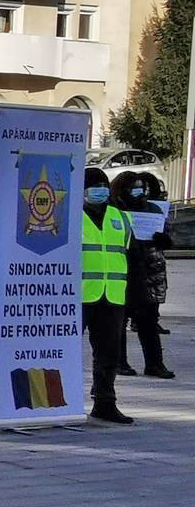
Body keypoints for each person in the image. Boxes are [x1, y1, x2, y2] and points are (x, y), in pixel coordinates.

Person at [79, 165, 134, 425]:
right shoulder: (70, 217)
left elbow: (129, 256)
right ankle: (55, 399)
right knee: (63, 349)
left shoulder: (121, 218)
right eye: (93, 186)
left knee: (108, 353)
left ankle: (105, 402)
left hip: (112, 296)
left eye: (103, 186)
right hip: (77, 296)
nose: (99, 190)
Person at [119, 171, 174, 381]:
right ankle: (120, 362)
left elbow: (168, 239)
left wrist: (163, 240)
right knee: (119, 322)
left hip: (149, 272)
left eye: (141, 187)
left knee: (148, 322)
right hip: (125, 272)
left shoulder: (153, 209)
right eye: (134, 187)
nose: (139, 191)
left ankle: (154, 364)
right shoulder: (118, 210)